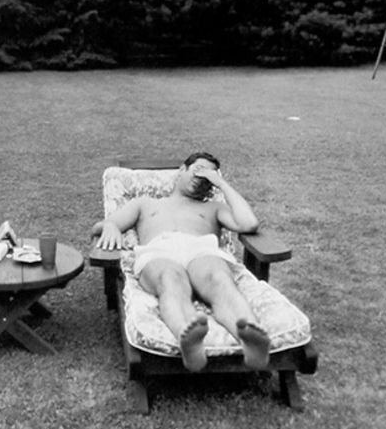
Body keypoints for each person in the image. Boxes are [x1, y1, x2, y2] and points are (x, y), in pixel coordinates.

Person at [91, 152, 270, 372]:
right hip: (159, 251)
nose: (201, 177)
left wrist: (221, 183)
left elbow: (249, 223)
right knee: (170, 279)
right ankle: (188, 339)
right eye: (198, 170)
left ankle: (251, 339)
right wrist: (110, 227)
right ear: (181, 170)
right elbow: (103, 225)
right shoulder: (145, 204)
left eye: (208, 176)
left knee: (219, 278)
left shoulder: (213, 208)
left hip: (201, 249)